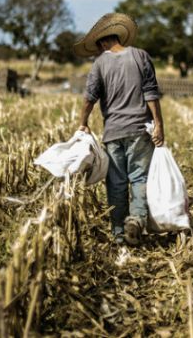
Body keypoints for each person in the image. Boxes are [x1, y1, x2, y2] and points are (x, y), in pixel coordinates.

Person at [73, 13, 164, 246]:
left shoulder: (100, 64)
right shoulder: (140, 56)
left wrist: (82, 123)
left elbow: (89, 98)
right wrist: (159, 125)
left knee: (116, 183)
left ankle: (118, 233)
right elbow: (151, 93)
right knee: (140, 178)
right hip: (140, 130)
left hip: (113, 132)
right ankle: (136, 220)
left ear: (104, 42)